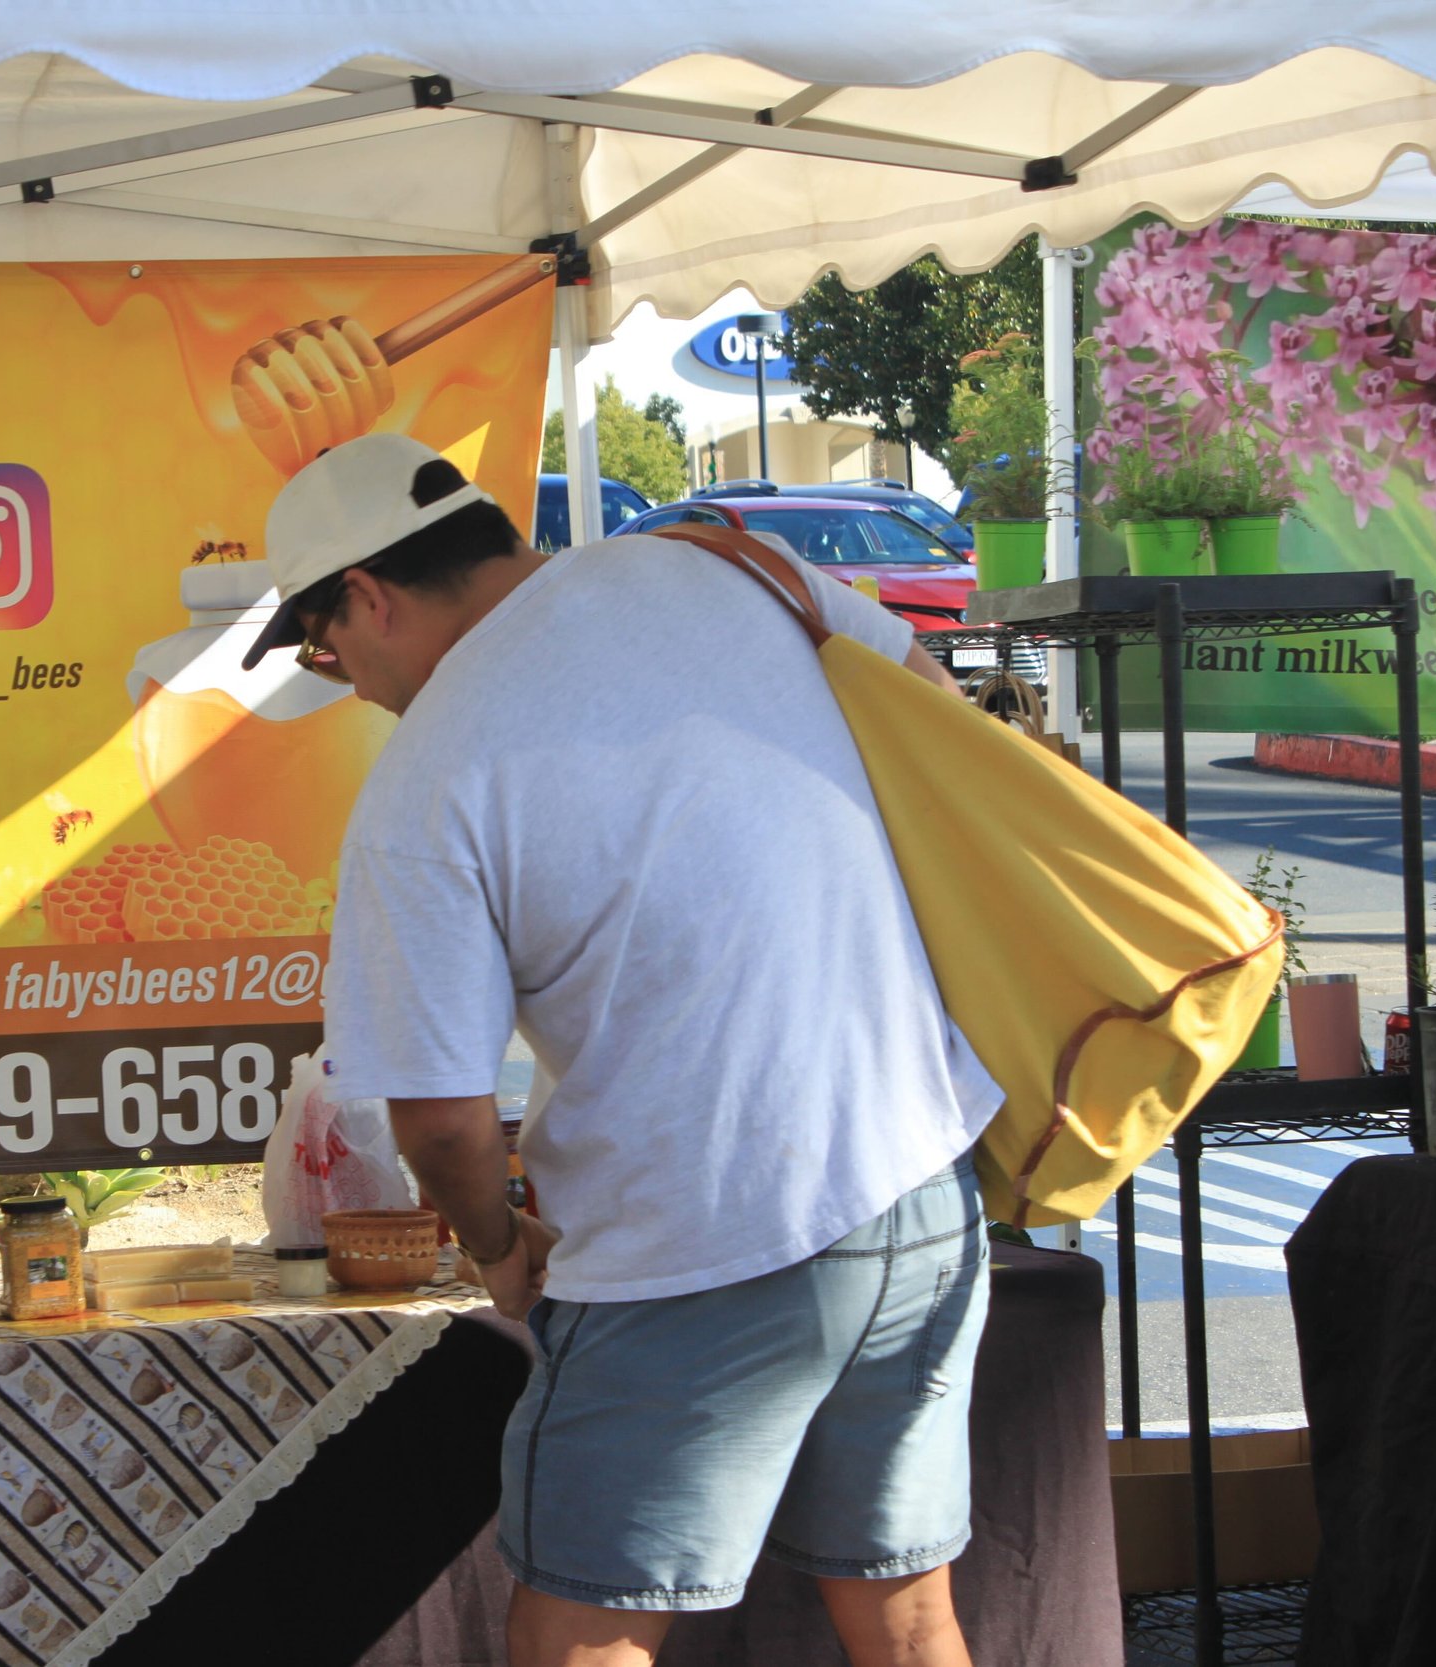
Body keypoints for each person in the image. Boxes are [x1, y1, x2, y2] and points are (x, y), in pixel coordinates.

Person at [239, 434, 1000, 1667]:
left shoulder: (430, 769)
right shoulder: (728, 569)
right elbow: (942, 715)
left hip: (693, 1228)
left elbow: (438, 1118)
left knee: (583, 1634)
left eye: (327, 648)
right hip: (915, 1178)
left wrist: (496, 1245)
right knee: (908, 1613)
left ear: (368, 595)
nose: (349, 678)